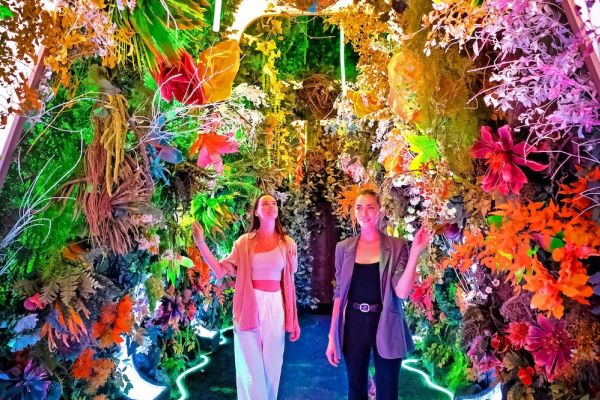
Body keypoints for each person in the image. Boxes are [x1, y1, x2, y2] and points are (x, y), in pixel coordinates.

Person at [192, 194, 301, 400]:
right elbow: (220, 270)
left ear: (277, 211)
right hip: (248, 306)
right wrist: (200, 243)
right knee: (251, 371)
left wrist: (293, 320)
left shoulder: (287, 243)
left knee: (271, 368)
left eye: (273, 203)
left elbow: (289, 281)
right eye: (264, 203)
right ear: (257, 212)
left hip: (275, 306)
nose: (270, 206)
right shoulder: (244, 242)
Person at [325, 188, 429, 400]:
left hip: (386, 321)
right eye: (359, 208)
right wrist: (332, 337)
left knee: (387, 391)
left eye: (370, 207)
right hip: (353, 323)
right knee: (356, 388)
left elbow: (401, 291)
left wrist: (416, 251)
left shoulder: (397, 245)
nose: (364, 213)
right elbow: (339, 295)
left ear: (379, 210)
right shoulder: (343, 248)